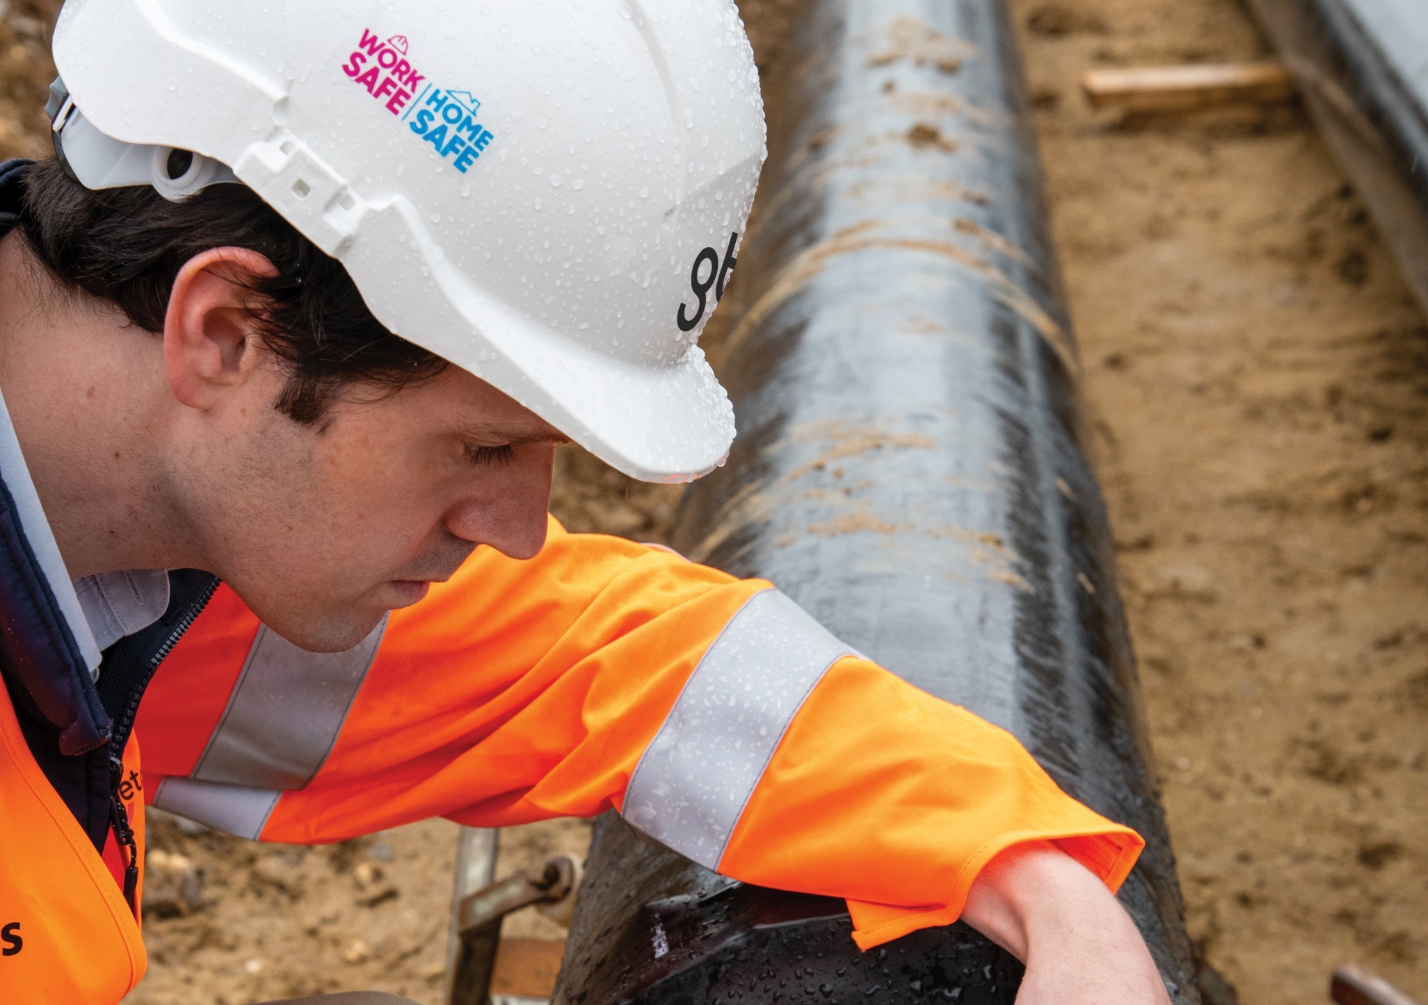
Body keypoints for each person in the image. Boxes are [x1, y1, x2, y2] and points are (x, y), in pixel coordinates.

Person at [0, 2, 1171, 1003]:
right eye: (481, 444)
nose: (514, 527)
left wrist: (1047, 886)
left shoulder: (138, 548)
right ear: (226, 334)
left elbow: (611, 667)